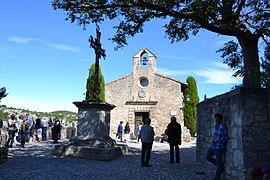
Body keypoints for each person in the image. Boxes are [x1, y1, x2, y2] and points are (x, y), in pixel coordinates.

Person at [205, 113, 228, 180]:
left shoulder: (223, 127)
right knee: (207, 156)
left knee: (219, 161)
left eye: (217, 118)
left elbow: (225, 138)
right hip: (213, 146)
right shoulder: (216, 126)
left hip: (219, 147)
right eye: (215, 118)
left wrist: (218, 140)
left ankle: (217, 177)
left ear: (220, 119)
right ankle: (220, 166)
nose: (216, 119)